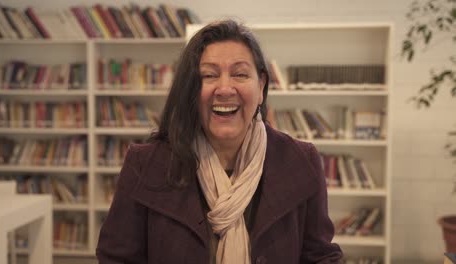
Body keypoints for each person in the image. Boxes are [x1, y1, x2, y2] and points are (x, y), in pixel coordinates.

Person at [96, 19, 342, 264]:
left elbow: (320, 256)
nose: (225, 88)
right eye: (209, 75)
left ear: (261, 86)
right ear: (190, 89)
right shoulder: (146, 164)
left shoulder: (301, 162)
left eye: (240, 74)